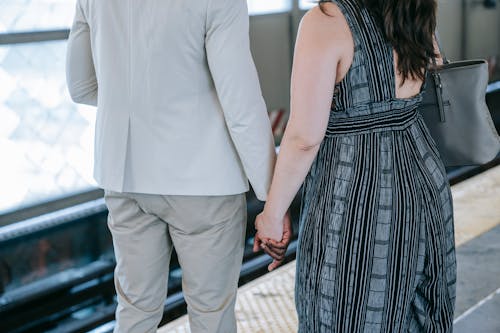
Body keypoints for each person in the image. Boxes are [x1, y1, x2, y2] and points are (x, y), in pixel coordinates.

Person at [66, 0, 278, 332]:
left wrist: (139, 104)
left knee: (135, 310)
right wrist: (273, 197)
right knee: (211, 315)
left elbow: (80, 87)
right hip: (204, 180)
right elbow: (241, 104)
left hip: (125, 175)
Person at [255, 0, 456, 331]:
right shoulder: (414, 12)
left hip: (360, 198)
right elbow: (433, 67)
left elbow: (304, 138)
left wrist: (272, 216)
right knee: (421, 317)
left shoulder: (326, 22)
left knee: (346, 315)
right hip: (425, 182)